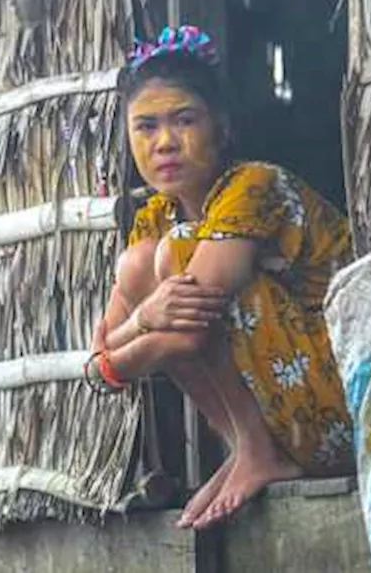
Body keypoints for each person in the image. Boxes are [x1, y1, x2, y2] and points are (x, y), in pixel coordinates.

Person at [87, 26, 354, 529]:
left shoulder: (253, 185)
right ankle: (244, 446)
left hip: (339, 408)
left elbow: (183, 331)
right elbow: (108, 349)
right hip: (288, 419)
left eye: (184, 120)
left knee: (180, 256)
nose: (164, 142)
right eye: (145, 127)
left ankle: (256, 449)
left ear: (222, 128)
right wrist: (142, 322)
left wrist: (119, 355)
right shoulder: (154, 217)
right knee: (140, 261)